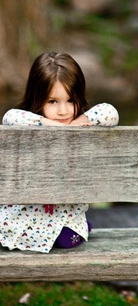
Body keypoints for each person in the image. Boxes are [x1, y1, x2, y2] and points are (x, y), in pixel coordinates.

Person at [1, 52, 119, 253]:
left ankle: (79, 228)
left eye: (70, 100)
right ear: (37, 99)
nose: (63, 111)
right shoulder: (31, 124)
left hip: (65, 212)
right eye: (53, 101)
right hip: (29, 211)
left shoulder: (84, 123)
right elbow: (10, 117)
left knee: (65, 240)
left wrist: (80, 122)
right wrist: (46, 124)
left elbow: (110, 112)